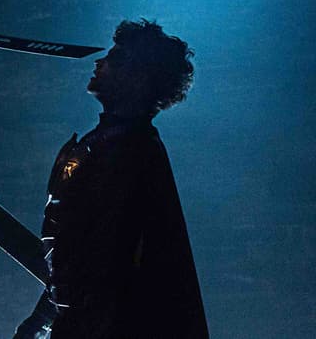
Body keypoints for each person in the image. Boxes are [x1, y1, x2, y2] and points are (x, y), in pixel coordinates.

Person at [14, 20, 208, 339]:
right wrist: (41, 321)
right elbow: (73, 254)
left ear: (139, 77)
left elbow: (107, 261)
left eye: (116, 58)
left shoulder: (130, 153)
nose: (99, 63)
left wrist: (59, 323)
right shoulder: (109, 145)